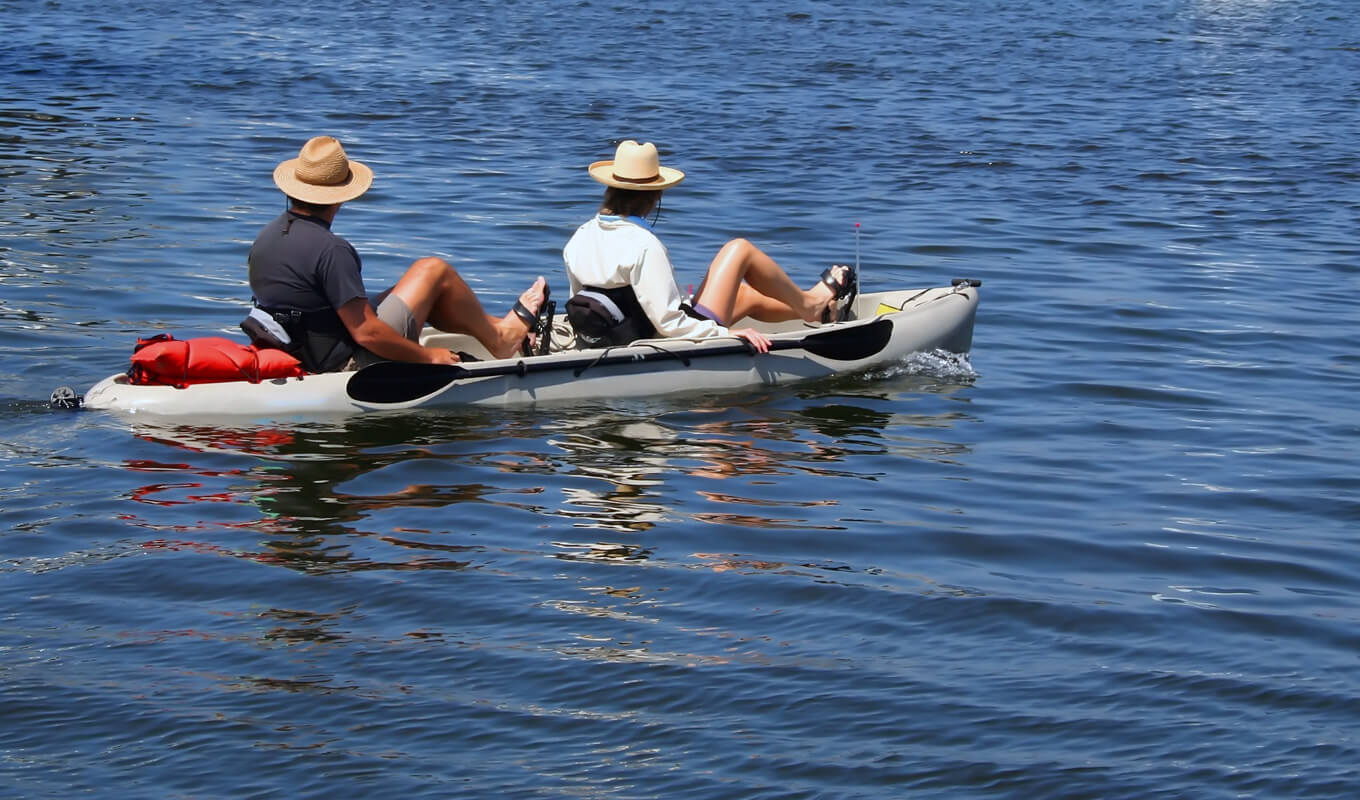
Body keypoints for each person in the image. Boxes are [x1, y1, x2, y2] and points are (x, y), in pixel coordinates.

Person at [247, 135, 549, 372]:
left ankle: (497, 329)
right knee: (433, 271)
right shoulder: (331, 249)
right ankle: (501, 339)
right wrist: (428, 356)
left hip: (302, 348)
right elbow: (366, 333)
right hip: (345, 362)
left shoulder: (266, 237)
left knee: (416, 286)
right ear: (339, 198)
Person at [561, 140, 855, 354]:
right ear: (655, 196)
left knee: (745, 295)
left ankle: (817, 315)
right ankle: (810, 304)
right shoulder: (644, 244)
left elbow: (584, 299)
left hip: (611, 336)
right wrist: (727, 334)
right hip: (656, 340)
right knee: (739, 250)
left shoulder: (580, 237)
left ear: (610, 189)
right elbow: (668, 322)